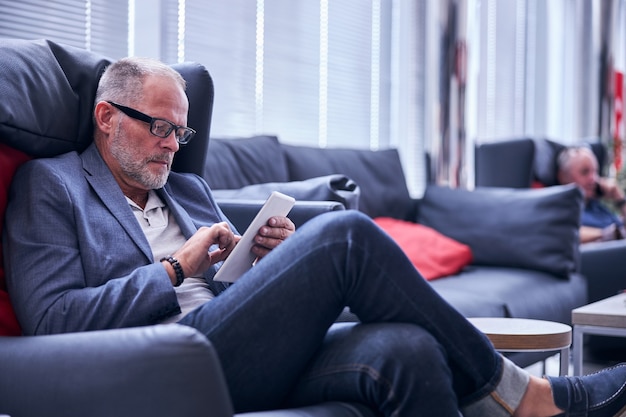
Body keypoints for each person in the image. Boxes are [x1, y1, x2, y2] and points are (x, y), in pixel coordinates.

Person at [4, 56, 626, 417]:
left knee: (404, 347)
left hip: (233, 339)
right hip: (157, 360)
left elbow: (226, 289)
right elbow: (54, 319)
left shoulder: (187, 191)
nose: (173, 146)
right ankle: (535, 398)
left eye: (181, 134)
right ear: (107, 117)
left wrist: (258, 262)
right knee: (345, 236)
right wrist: (174, 271)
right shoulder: (50, 187)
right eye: (159, 128)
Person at [557, 145, 626, 243]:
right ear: (563, 176)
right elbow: (561, 233)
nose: (593, 179)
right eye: (585, 172)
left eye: (595, 172)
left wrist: (619, 198)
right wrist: (608, 234)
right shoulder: (561, 209)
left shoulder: (596, 206)